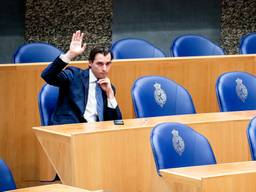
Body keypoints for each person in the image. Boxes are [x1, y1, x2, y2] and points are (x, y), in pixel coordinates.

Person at [41, 30, 122, 125]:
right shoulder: (74, 76)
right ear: (90, 63)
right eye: (100, 64)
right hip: (70, 130)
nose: (104, 69)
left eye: (108, 64)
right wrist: (70, 55)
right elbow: (47, 75)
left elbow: (117, 123)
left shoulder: (108, 87)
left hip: (95, 133)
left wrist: (110, 95)